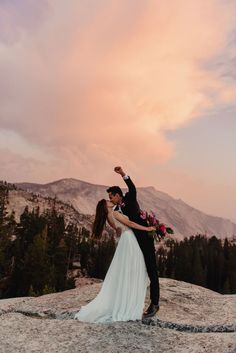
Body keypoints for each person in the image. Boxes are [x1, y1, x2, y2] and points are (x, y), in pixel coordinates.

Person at [74, 199, 155, 323]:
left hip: (125, 240)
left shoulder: (109, 216)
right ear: (105, 206)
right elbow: (131, 224)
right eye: (107, 201)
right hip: (129, 240)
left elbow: (119, 229)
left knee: (128, 270)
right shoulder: (115, 214)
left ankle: (127, 299)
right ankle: (129, 302)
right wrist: (147, 228)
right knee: (135, 268)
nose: (110, 201)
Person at [107, 166, 160, 319]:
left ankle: (155, 304)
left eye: (111, 196)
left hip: (145, 239)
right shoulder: (116, 209)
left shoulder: (130, 197)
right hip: (133, 243)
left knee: (151, 270)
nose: (110, 199)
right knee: (136, 271)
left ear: (118, 195)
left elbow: (132, 186)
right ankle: (131, 302)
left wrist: (123, 174)